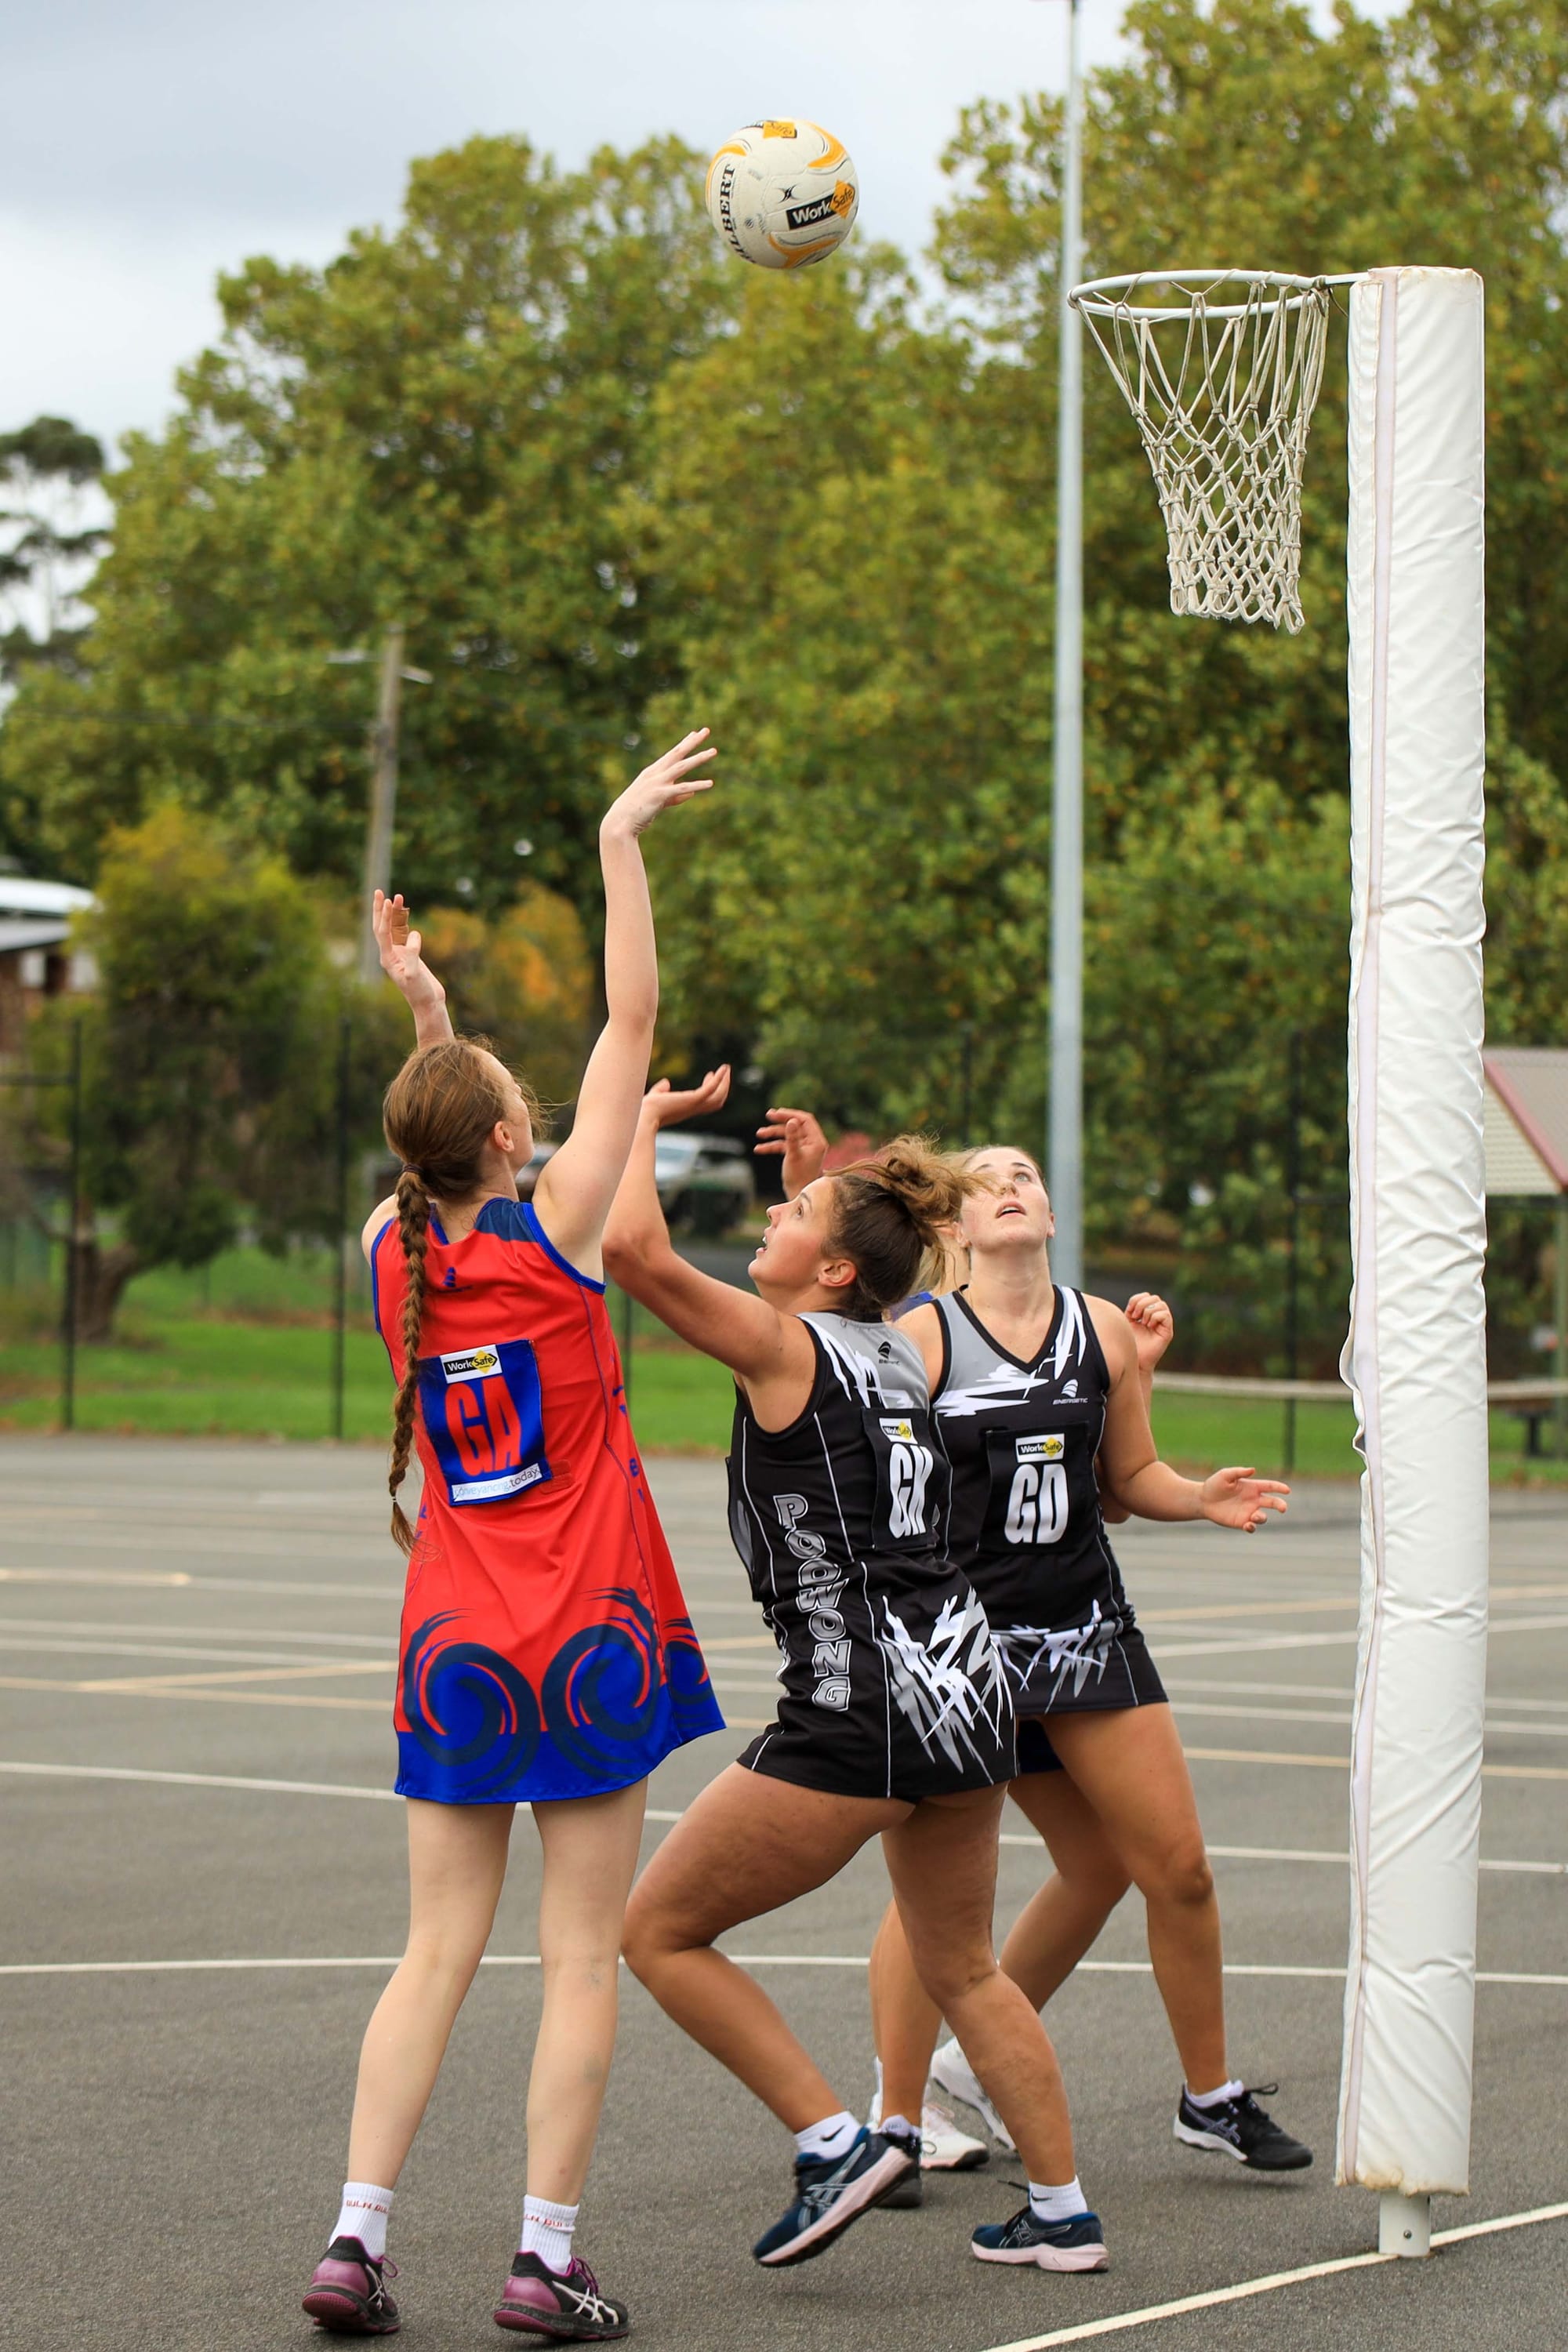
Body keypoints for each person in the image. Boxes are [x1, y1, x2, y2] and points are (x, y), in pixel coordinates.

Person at [301, 729, 724, 2345]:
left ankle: (356, 2238)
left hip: (458, 1642)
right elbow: (632, 1020)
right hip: (591, 1631)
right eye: (512, 1107)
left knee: (433, 1953)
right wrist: (618, 839)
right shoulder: (560, 1240)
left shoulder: (390, 1255)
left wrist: (430, 1018)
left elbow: (428, 1146)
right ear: (502, 1146)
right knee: (578, 1957)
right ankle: (543, 2258)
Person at [603, 1070, 1112, 2279]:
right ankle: (1062, 2213)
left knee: (659, 1931)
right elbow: (860, 1275)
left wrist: (637, 1118)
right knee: (966, 1968)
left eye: (786, 1220)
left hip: (862, 1702)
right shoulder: (893, 1346)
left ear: (832, 1269)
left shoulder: (785, 1345)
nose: (768, 1223)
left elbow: (630, 1249)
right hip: (967, 1690)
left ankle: (835, 2142)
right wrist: (819, 1196)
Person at [759, 1113, 1312, 2182]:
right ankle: (899, 2115)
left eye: (1026, 1174)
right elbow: (830, 1363)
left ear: (1051, 1214)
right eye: (985, 1180)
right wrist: (810, 1182)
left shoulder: (1101, 1330)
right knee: (932, 1903)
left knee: (1165, 1868)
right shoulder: (920, 1338)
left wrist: (1198, 1495)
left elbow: (1126, 1481)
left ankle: (1203, 2095)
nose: (1009, 1184)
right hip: (960, 1649)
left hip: (1083, 1630)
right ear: (953, 1227)